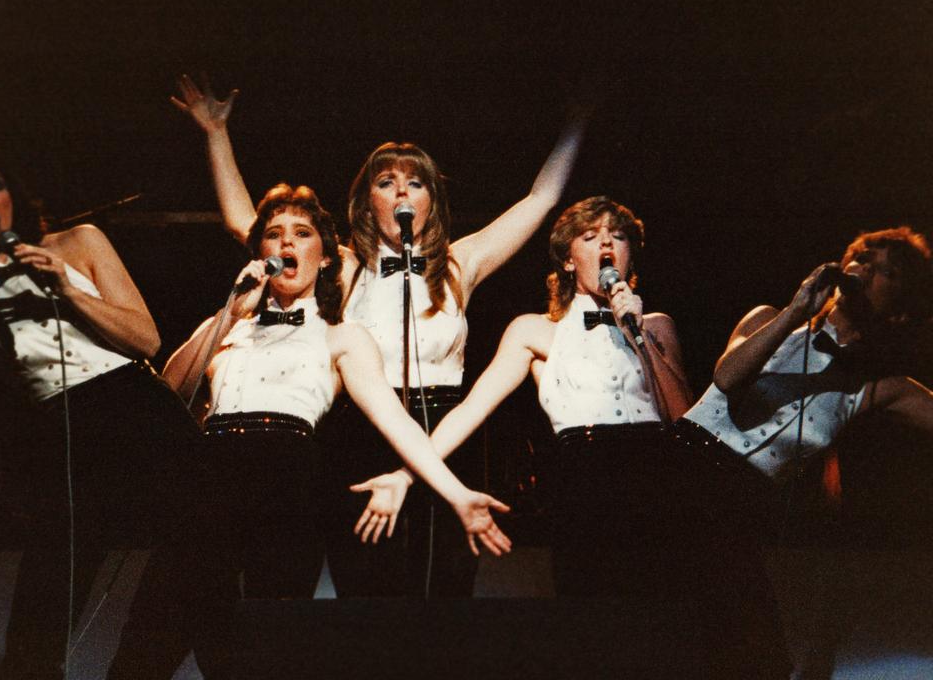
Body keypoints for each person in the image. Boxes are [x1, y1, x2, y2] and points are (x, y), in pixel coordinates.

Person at [169, 74, 586, 596]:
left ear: (431, 199)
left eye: (415, 182)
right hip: (363, 429)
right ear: (368, 202)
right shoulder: (343, 267)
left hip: (446, 428)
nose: (402, 191)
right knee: (367, 582)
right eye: (386, 182)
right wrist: (215, 134)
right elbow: (247, 225)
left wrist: (577, 121)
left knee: (445, 580)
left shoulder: (462, 262)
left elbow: (540, 198)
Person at [107, 184, 511, 679]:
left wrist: (456, 494)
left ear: (325, 258)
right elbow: (172, 392)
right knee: (149, 633)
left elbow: (394, 418)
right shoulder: (230, 324)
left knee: (265, 643)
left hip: (285, 477)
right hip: (210, 474)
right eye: (273, 235)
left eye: (301, 234)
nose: (286, 244)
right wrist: (229, 314)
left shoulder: (341, 334)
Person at [0, 142, 200, 680]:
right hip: (65, 431)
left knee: (198, 558)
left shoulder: (78, 242)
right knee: (50, 588)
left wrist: (67, 288)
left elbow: (146, 337)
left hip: (139, 409)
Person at [354, 196, 695, 604]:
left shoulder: (657, 325)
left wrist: (639, 336)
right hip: (583, 477)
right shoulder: (535, 331)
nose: (606, 244)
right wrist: (408, 474)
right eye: (590, 236)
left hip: (652, 473)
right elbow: (473, 408)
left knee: (660, 606)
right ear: (568, 260)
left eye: (617, 237)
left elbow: (684, 417)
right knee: (592, 605)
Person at [672, 226, 933, 679]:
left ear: (901, 312)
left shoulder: (871, 390)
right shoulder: (770, 320)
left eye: (885, 272)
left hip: (742, 509)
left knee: (757, 657)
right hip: (681, 474)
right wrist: (796, 312)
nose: (866, 272)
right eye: (864, 260)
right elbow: (729, 378)